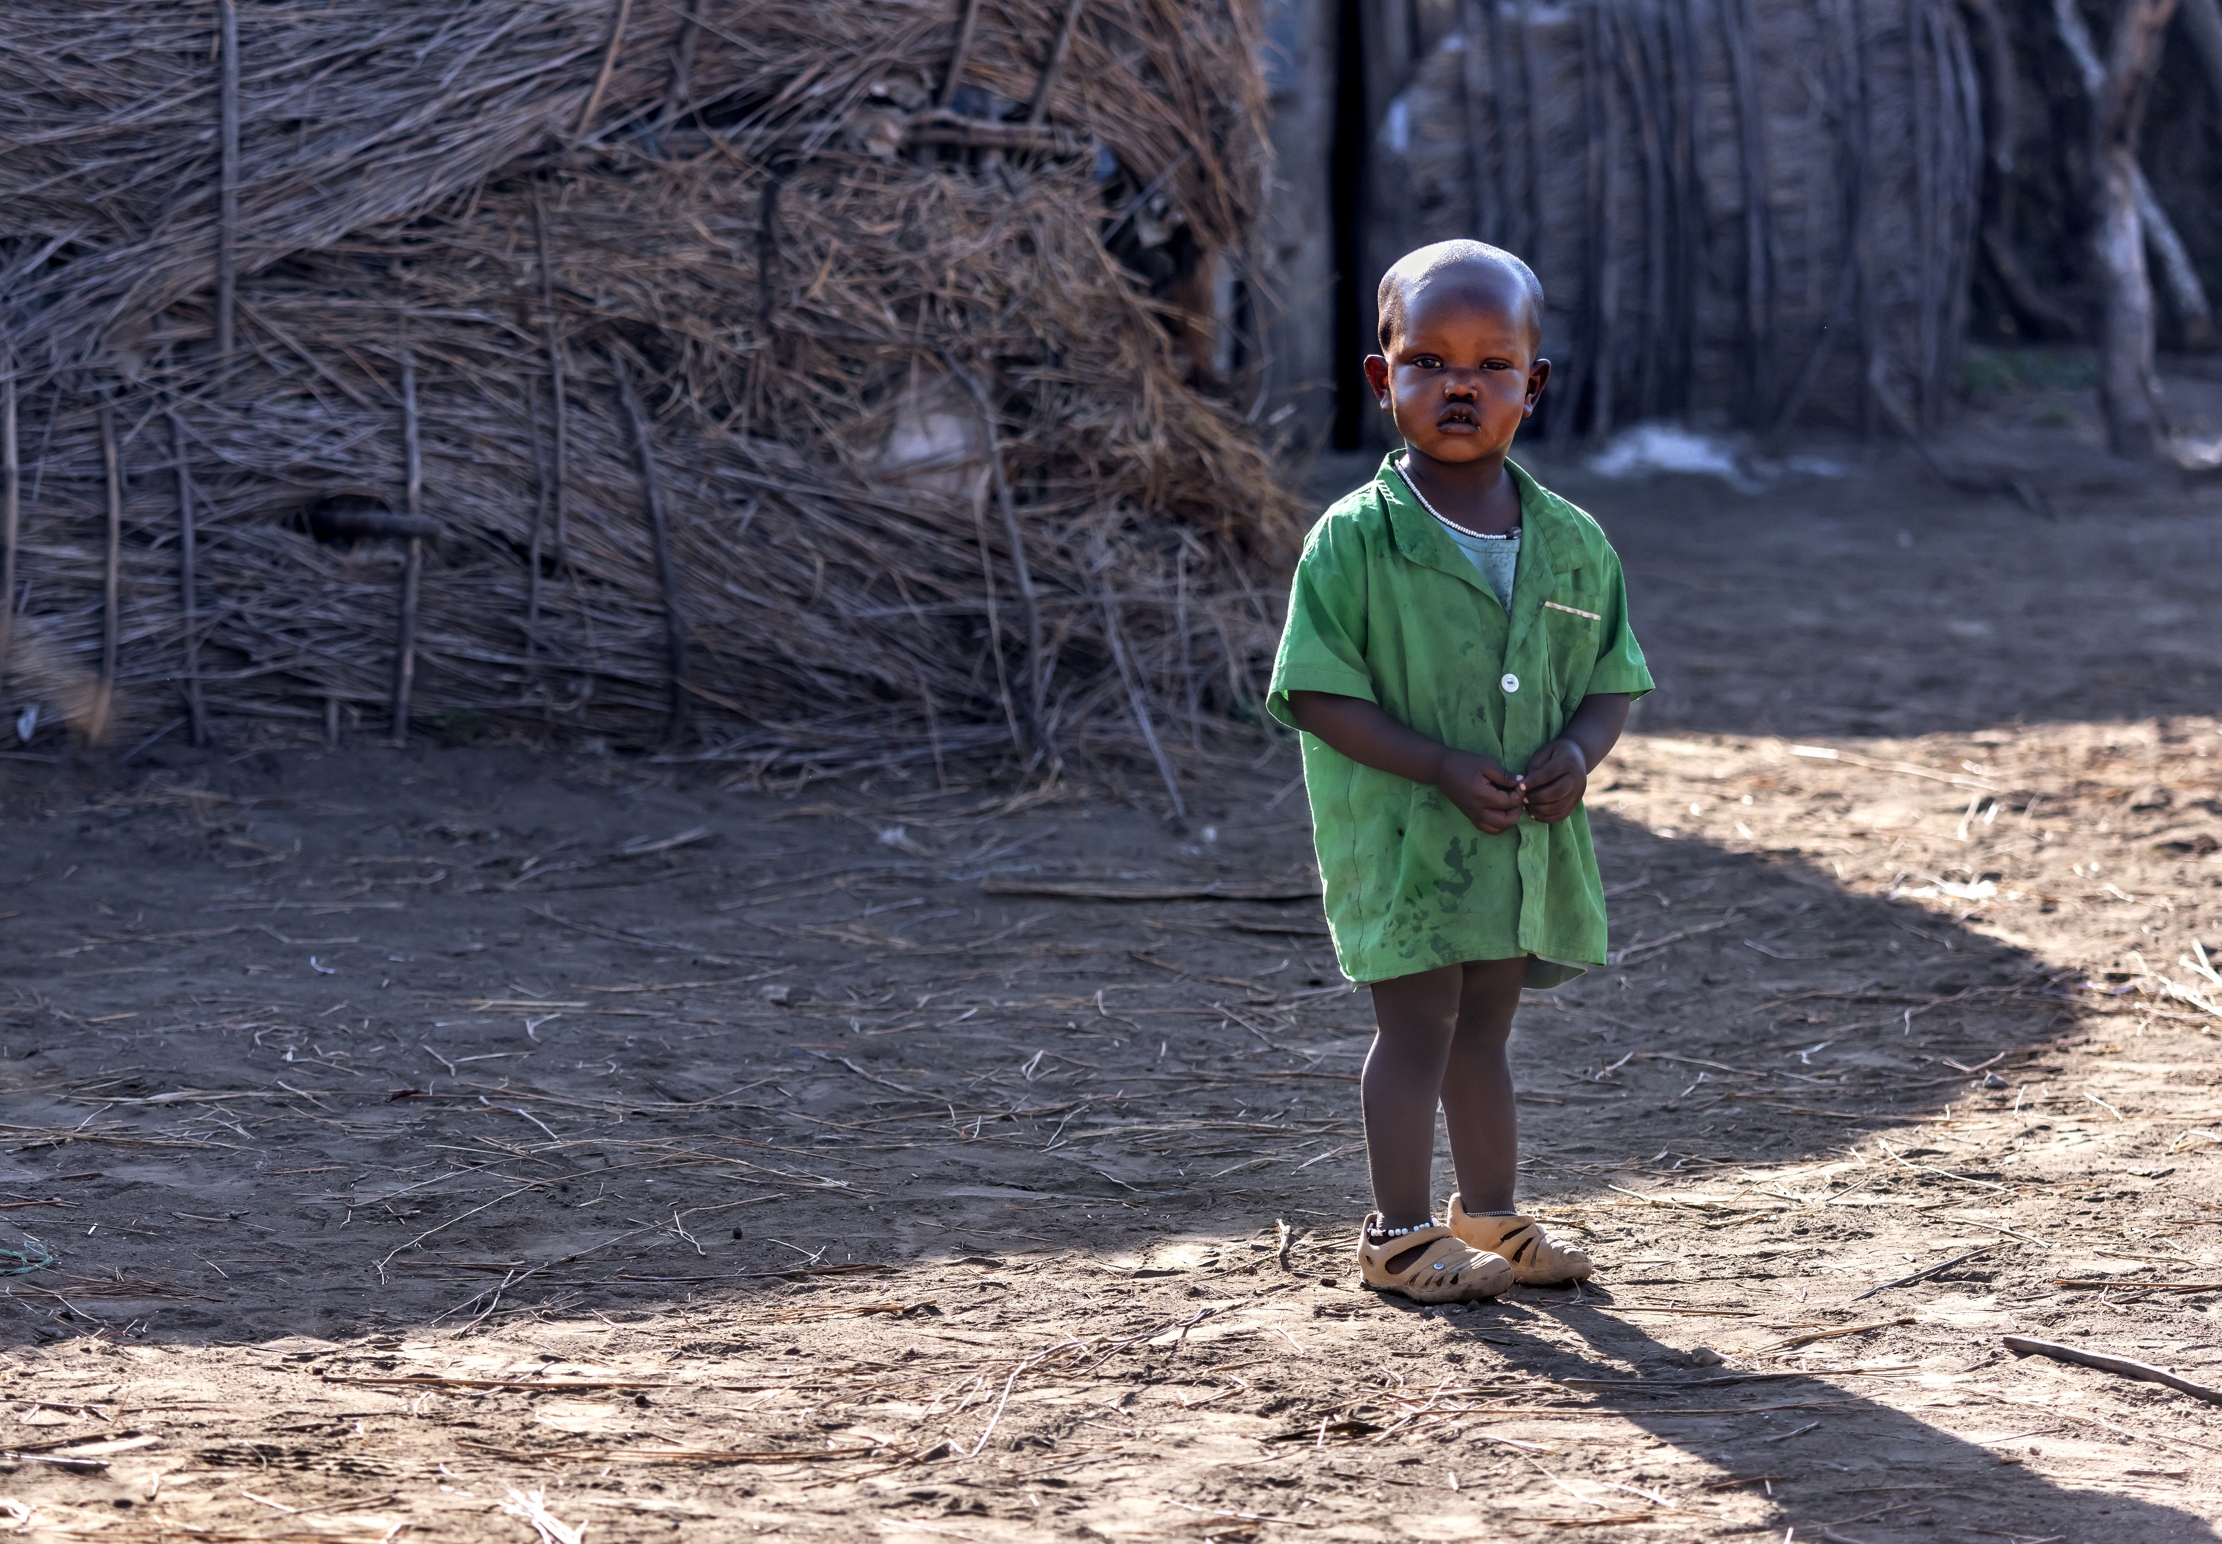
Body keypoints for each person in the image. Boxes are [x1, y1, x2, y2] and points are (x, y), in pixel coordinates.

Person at [1266, 240, 1653, 1302]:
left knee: (1484, 1026)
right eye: (1428, 360)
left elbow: (1612, 678)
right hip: (1403, 843)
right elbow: (1312, 689)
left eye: (1490, 365)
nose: (1458, 385)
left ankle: (1486, 1214)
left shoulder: (1573, 544)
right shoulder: (1349, 544)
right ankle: (1394, 1233)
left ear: (1531, 385)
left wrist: (1576, 752)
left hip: (1515, 840)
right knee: (1415, 1023)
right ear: (1380, 378)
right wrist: (1433, 762)